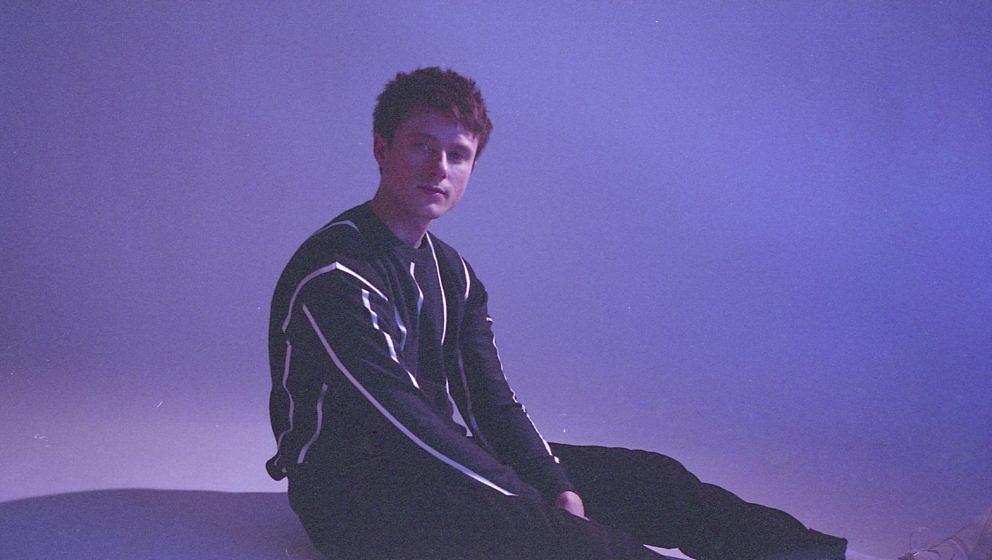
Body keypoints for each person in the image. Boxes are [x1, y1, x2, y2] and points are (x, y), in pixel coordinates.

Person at [265, 66, 848, 560]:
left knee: (649, 478)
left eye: (458, 154)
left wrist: (554, 483)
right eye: (422, 145)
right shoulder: (336, 271)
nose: (439, 166)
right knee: (576, 544)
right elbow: (403, 420)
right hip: (354, 496)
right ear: (381, 148)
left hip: (442, 470)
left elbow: (490, 403)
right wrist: (530, 503)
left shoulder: (455, 275)